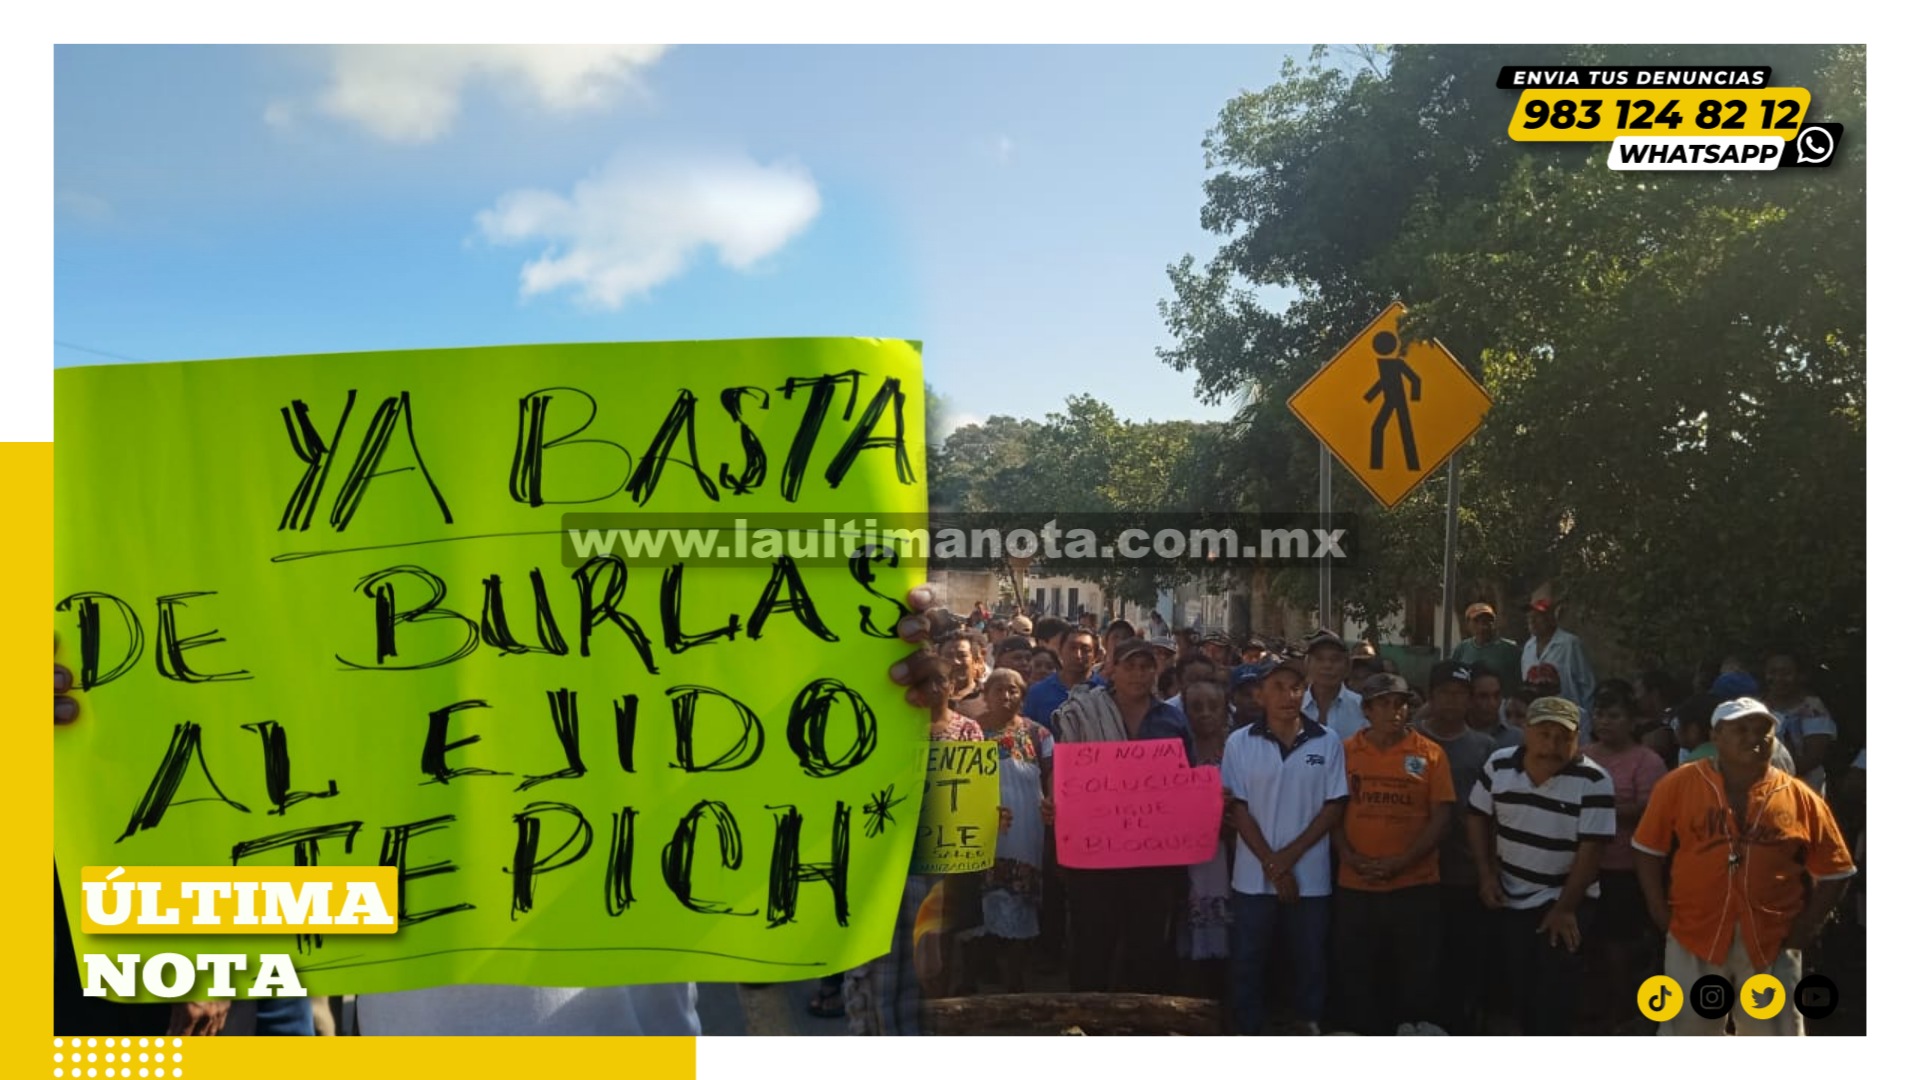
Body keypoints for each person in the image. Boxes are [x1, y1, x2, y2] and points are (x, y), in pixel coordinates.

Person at [1631, 697, 1856, 1037]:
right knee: (1688, 1033)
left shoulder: (1799, 795)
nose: (1753, 736)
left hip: (1771, 937)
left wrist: (1808, 926)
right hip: (1695, 931)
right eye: (1740, 728)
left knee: (1773, 1038)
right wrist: (1658, 910)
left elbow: (1837, 869)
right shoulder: (1679, 784)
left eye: (1763, 729)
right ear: (1716, 736)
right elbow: (1647, 849)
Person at [846, 615, 985, 1035]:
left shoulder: (966, 730)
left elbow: (971, 806)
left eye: (935, 683)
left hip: (935, 867)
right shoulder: (874, 729)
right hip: (878, 865)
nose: (927, 693)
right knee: (879, 975)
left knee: (933, 969)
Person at [1050, 637, 1193, 994]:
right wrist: (1054, 802)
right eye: (1130, 665)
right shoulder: (1083, 712)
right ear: (1111, 668)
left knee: (1147, 947)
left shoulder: (1171, 719)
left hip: (1153, 856)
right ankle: (1084, 1023)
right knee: (1091, 943)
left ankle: (1140, 1025)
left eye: (1146, 666)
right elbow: (1065, 773)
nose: (1139, 674)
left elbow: (1184, 782)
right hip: (1095, 854)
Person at [1466, 696, 1613, 1035]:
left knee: (1555, 994)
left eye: (1563, 736)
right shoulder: (1499, 764)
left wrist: (1564, 909)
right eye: (1544, 734)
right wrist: (1486, 876)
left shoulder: (1594, 780)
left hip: (1566, 897)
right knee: (1518, 987)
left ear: (1578, 738)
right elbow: (1476, 816)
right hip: (1510, 894)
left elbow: (1592, 850)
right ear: (1526, 732)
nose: (1553, 745)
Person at [1220, 649, 1348, 1036]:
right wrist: (1272, 864)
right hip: (1252, 876)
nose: (1289, 695)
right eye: (1278, 687)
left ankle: (1306, 1029)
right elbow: (1237, 808)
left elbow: (1333, 807)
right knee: (1248, 960)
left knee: (1310, 960)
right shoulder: (1240, 742)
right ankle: (1248, 1031)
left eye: (1296, 687)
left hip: (1309, 876)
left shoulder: (1327, 741)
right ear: (1260, 694)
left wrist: (1286, 860)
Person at [1332, 673, 1453, 1035]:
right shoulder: (1345, 751)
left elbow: (1441, 817)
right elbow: (1332, 810)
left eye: (1399, 703)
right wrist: (1349, 856)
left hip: (1415, 884)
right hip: (1356, 883)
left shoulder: (1430, 754)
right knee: (1357, 969)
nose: (1393, 711)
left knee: (1415, 970)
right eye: (1383, 703)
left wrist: (1402, 862)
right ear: (1366, 710)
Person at [1414, 660, 1499, 1034]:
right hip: (1415, 868)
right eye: (1446, 692)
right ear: (1430, 697)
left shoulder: (1485, 748)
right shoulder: (1409, 739)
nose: (1453, 701)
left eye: (1461, 694)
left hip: (1466, 870)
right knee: (1422, 955)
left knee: (1463, 955)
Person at [1581, 685, 1668, 1034]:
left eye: (1614, 715)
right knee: (1588, 941)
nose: (1605, 722)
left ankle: (1622, 1011)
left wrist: (1598, 810)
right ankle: (1590, 1006)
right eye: (1600, 714)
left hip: (1627, 868)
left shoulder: (1648, 761)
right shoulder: (1583, 754)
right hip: (1584, 866)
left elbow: (1650, 810)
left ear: (1632, 721)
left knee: (1620, 944)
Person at [973, 668, 1052, 992]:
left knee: (1022, 895)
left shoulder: (1039, 734)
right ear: (986, 694)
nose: (1006, 696)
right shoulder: (972, 732)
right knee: (984, 895)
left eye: (1013, 690)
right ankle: (985, 968)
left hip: (1026, 825)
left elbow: (1052, 775)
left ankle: (1015, 975)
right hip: (982, 824)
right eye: (999, 690)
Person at [1176, 679, 1233, 1000]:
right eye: (1196, 707)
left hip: (1229, 856)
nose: (1206, 714)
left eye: (1213, 706)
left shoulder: (1238, 749)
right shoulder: (1176, 752)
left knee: (1227, 937)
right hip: (1185, 858)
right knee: (1188, 937)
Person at [1761, 648, 1838, 794]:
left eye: (1786, 673)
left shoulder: (1813, 709)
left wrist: (1777, 778)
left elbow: (1814, 757)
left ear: (1800, 675)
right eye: (1773, 672)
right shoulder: (1757, 706)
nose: (1778, 678)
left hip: (1804, 788)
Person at [1520, 599, 1597, 711]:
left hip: (1569, 716)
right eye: (1529, 617)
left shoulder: (1570, 644)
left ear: (1551, 618)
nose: (1532, 620)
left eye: (1538, 616)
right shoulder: (1528, 647)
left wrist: (1587, 719)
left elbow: (1587, 685)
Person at [1022, 626, 1097, 734]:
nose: (1078, 655)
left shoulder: (1107, 692)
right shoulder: (1037, 693)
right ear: (1060, 651)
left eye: (1085, 650)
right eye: (1072, 648)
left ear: (1095, 656)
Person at [1301, 629, 1366, 740]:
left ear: (1347, 666)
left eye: (1335, 659)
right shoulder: (1295, 706)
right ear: (1307, 664)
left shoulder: (1362, 707)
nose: (1327, 665)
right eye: (1319, 659)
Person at [1452, 602, 1523, 694]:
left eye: (1487, 621)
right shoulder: (1462, 648)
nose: (1482, 626)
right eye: (1476, 621)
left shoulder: (1509, 649)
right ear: (1467, 624)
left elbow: (1519, 682)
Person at [1467, 663, 1522, 750]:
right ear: (1468, 698)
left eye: (1497, 695)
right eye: (1483, 696)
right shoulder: (1454, 737)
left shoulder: (1517, 738)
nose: (1492, 703)